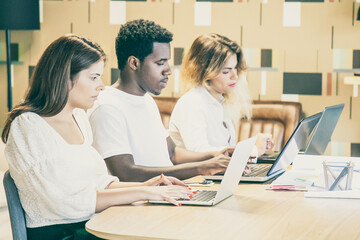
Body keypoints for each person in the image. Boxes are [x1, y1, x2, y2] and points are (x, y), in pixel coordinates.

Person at [1, 34, 192, 240]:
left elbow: (97, 182)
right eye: (93, 77)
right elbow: (65, 203)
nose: (101, 85)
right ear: (65, 77)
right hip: (61, 233)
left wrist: (147, 186)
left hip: (91, 223)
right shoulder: (28, 125)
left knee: (168, 224)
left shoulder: (78, 118)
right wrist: (143, 193)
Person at [88, 19, 231, 182]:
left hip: (165, 194)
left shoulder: (147, 100)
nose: (168, 70)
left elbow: (172, 153)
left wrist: (214, 155)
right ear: (134, 62)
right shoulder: (106, 107)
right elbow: (126, 173)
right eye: (160, 63)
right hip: (138, 204)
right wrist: (200, 168)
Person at [169, 33, 273, 156]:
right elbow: (199, 153)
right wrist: (254, 150)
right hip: (197, 175)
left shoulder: (219, 101)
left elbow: (222, 150)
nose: (234, 76)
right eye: (226, 71)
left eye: (235, 68)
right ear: (204, 71)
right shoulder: (192, 103)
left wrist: (253, 144)